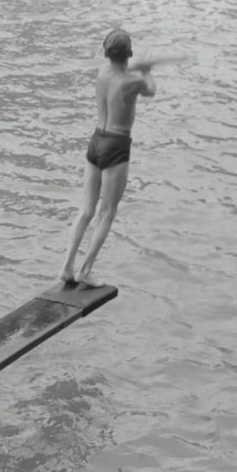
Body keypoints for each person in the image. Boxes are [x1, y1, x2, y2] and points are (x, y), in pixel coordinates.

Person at [59, 27, 163, 288]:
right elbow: (150, 89)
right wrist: (148, 68)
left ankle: (67, 267)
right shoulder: (132, 82)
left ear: (107, 53)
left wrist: (140, 62)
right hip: (117, 144)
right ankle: (85, 270)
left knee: (85, 211)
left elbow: (124, 65)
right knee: (107, 212)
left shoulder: (102, 72)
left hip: (96, 141)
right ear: (128, 54)